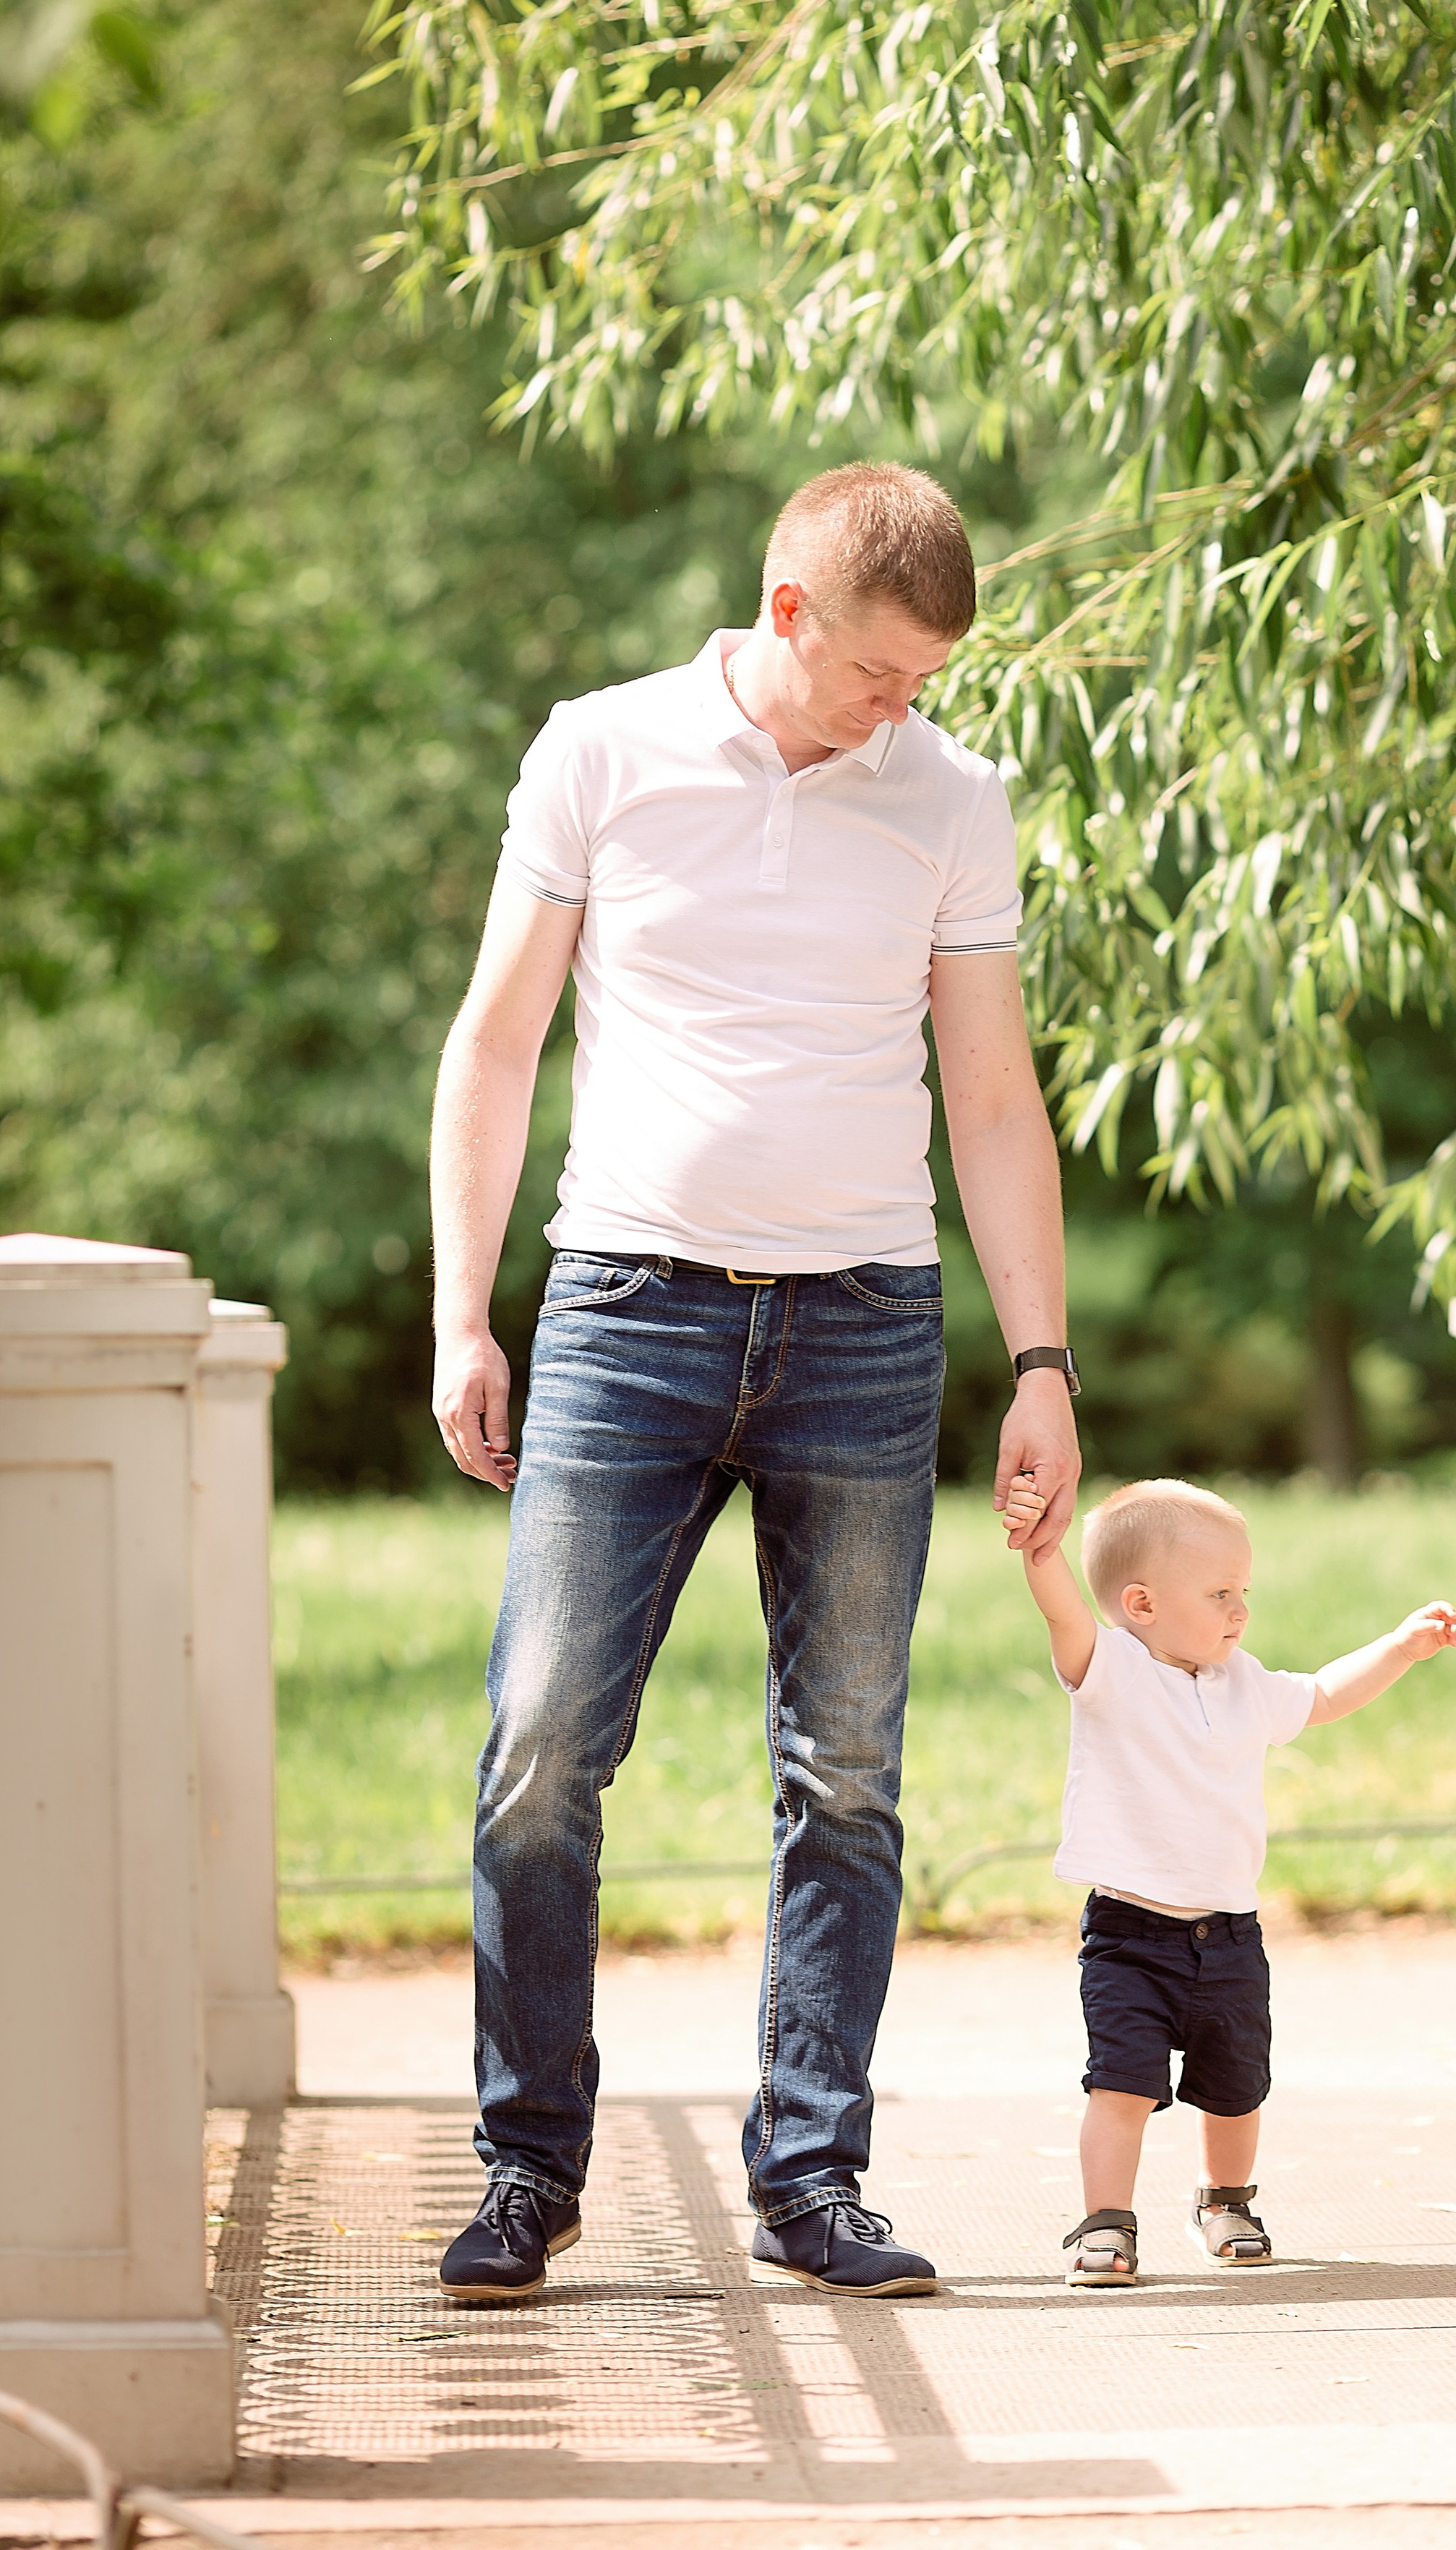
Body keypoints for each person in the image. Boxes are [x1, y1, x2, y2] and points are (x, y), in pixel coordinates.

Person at [428, 463, 1082, 2306]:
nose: (907, 707)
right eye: (880, 670)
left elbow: (991, 1099)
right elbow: (492, 1045)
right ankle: (525, 2167)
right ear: (785, 613)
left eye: (928, 679)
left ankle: (812, 2173)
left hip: (864, 1324)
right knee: (542, 1746)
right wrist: (461, 1315)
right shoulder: (601, 750)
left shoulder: (951, 798)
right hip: (625, 1312)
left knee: (848, 1771)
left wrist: (1039, 1357)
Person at [1001, 1473, 1456, 2285]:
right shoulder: (1110, 1670)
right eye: (1218, 1593)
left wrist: (1398, 1647)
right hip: (1129, 1934)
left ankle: (1225, 2201)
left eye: (1241, 1590)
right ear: (1141, 1605)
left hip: (1230, 1936)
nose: (1239, 1610)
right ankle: (1105, 2223)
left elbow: (1321, 1695)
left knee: (1236, 2086)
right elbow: (1063, 1608)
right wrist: (1041, 1546)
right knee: (1121, 2085)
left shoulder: (1243, 1681)